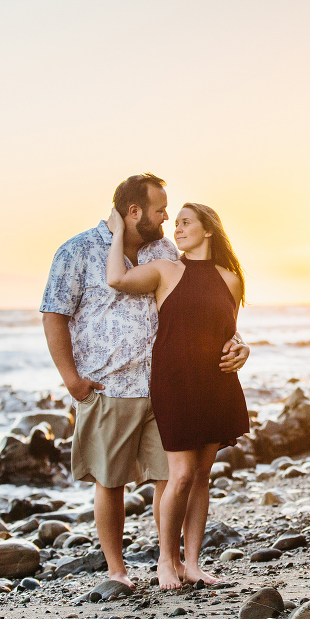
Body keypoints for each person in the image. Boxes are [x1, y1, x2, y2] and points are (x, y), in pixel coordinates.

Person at [40, 173, 249, 589]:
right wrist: (72, 380)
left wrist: (238, 343)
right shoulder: (78, 250)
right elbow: (53, 314)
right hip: (108, 386)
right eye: (160, 209)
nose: (168, 217)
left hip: (165, 386)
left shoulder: (164, 250)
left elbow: (203, 309)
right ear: (134, 211)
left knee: (174, 479)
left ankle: (169, 562)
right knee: (110, 480)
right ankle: (117, 571)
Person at [105, 202, 249, 589]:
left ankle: (194, 564)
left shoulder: (230, 279)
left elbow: (228, 331)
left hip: (216, 383)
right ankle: (166, 562)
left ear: (208, 231)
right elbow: (116, 279)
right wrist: (118, 231)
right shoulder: (167, 270)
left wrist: (243, 348)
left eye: (186, 223)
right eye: (178, 223)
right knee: (181, 475)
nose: (178, 229)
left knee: (202, 476)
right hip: (174, 382)